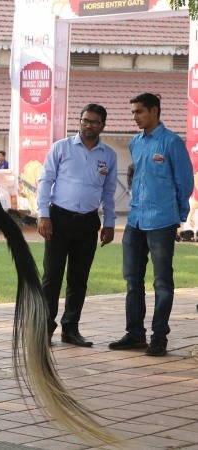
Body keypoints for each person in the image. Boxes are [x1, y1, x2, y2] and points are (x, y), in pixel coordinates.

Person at [109, 93, 194, 357]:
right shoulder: (135, 142)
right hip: (135, 220)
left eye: (139, 112)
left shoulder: (172, 143)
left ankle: (159, 337)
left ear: (154, 111)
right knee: (133, 280)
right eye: (133, 112)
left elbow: (184, 183)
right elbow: (138, 176)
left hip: (161, 221)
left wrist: (177, 216)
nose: (134, 117)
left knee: (162, 282)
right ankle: (135, 334)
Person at [36, 104, 117, 347]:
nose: (88, 125)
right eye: (85, 120)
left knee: (79, 279)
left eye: (94, 122)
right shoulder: (61, 148)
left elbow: (109, 191)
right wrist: (43, 215)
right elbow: (45, 181)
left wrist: (110, 223)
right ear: (79, 121)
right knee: (51, 277)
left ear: (103, 125)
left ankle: (70, 329)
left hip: (88, 223)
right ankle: (45, 328)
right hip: (58, 219)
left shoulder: (109, 155)